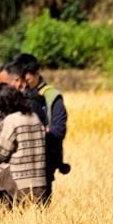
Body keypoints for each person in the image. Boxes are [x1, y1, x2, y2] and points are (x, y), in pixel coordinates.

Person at [12, 52, 69, 199]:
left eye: (25, 78)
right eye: (18, 78)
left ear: (36, 73)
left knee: (39, 212)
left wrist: (34, 132)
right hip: (16, 164)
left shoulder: (51, 96)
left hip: (42, 164)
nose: (20, 82)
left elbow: (58, 130)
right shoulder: (15, 94)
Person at [0, 82, 47, 207]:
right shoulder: (34, 116)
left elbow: (1, 153)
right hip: (40, 182)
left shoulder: (11, 120)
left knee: (7, 219)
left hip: (19, 184)